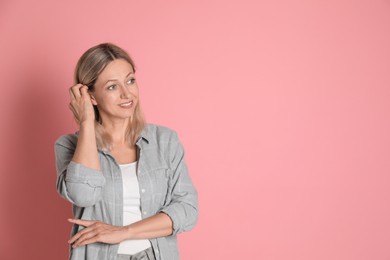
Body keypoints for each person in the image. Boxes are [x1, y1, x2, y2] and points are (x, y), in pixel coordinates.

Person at [54, 43, 199, 260]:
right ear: (90, 96)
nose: (126, 93)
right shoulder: (69, 146)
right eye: (112, 87)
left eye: (130, 80)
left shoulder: (165, 141)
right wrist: (86, 122)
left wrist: (123, 232)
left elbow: (187, 210)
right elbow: (83, 195)